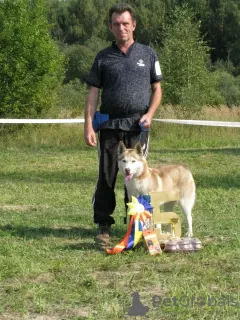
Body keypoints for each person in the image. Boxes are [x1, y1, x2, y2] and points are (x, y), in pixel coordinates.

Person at [84, 2, 162, 248]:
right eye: (116, 24)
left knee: (138, 177)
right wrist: (88, 123)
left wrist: (150, 114)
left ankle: (135, 225)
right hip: (109, 126)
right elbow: (93, 93)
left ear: (134, 25)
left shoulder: (148, 54)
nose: (121, 28)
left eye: (125, 23)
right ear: (110, 27)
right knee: (107, 177)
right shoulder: (103, 57)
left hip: (138, 127)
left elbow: (157, 89)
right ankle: (104, 226)